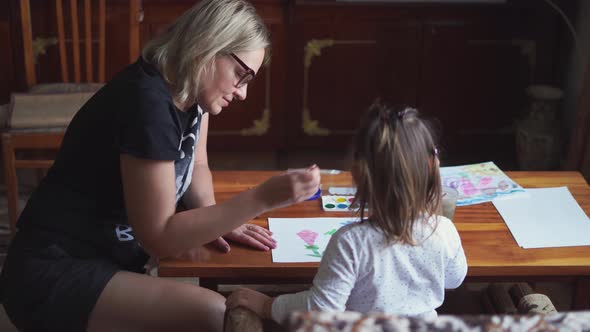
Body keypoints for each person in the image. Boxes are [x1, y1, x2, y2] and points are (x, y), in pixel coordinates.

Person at [0, 0, 320, 331]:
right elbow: (159, 237)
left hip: (106, 257)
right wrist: (260, 198)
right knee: (217, 315)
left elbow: (197, 163)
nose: (243, 93)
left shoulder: (191, 92)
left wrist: (216, 218)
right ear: (207, 47)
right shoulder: (148, 104)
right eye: (241, 75)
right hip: (52, 270)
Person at [226, 101, 468, 324]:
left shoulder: (351, 243)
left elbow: (320, 312)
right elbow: (455, 279)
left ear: (360, 173)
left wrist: (268, 304)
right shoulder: (444, 230)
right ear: (431, 165)